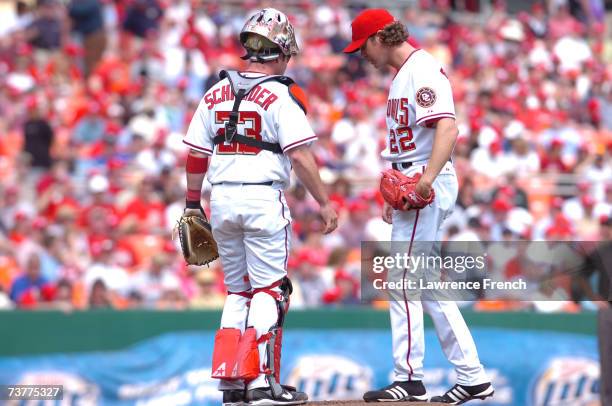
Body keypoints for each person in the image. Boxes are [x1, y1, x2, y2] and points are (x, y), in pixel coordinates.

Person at [181, 8, 338, 405]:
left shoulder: (214, 91)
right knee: (271, 290)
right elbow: (301, 157)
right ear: (281, 51)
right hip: (261, 195)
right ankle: (262, 382)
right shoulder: (283, 94)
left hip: (222, 199)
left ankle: (232, 382)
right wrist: (323, 202)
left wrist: (192, 204)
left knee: (238, 292)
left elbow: (197, 155)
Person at [343, 9, 493, 404]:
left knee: (403, 281)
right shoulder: (404, 75)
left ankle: (409, 378)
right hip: (412, 180)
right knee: (423, 284)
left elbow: (448, 127)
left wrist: (423, 181)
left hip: (425, 182)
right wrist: (400, 185)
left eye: (363, 46)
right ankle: (473, 376)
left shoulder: (421, 70)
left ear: (379, 37)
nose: (363, 56)